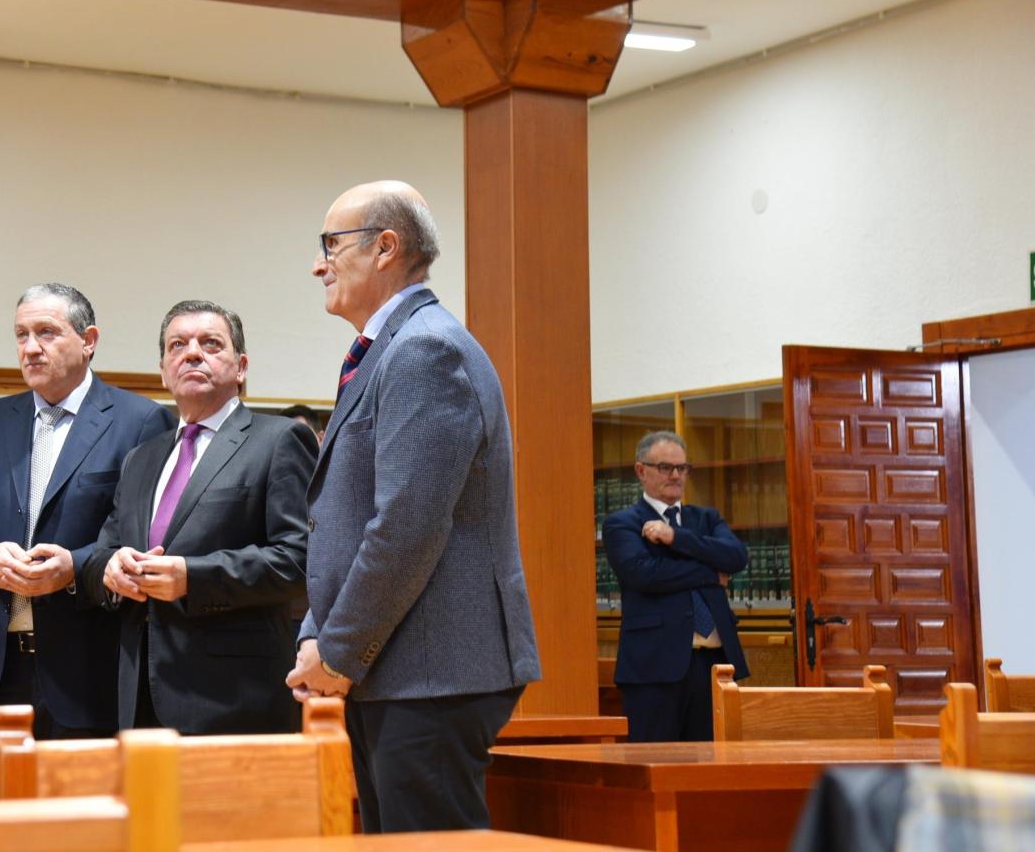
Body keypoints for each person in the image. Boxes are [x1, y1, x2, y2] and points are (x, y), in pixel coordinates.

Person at [286, 180, 540, 833]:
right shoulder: (390, 348)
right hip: (399, 668)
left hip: (432, 671)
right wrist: (321, 633)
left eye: (330, 245)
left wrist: (338, 651)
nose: (319, 264)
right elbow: (348, 521)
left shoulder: (426, 348)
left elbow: (406, 526)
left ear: (385, 248)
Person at [0, 283, 172, 769]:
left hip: (86, 668)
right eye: (21, 335)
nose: (30, 347)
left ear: (88, 339)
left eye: (46, 333)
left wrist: (74, 568)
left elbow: (144, 539)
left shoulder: (140, 422)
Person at [82, 300, 314, 734]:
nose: (192, 353)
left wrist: (193, 577)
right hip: (139, 697)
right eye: (177, 345)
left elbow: (299, 560)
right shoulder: (141, 459)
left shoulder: (279, 440)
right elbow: (101, 554)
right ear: (164, 370)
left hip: (234, 699)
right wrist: (111, 571)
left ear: (240, 367)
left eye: (210, 344)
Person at [602, 430, 748, 742]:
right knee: (657, 764)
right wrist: (711, 575)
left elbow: (736, 556)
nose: (676, 475)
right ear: (641, 470)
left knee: (714, 765)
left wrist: (675, 537)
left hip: (716, 664)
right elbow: (645, 574)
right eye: (666, 467)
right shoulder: (622, 523)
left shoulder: (705, 519)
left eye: (682, 468)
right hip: (654, 665)